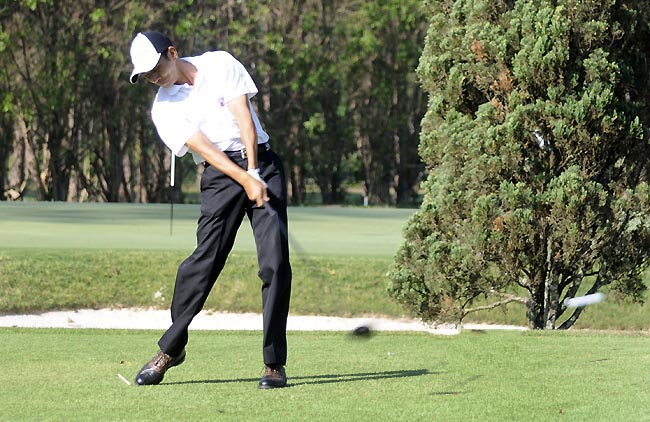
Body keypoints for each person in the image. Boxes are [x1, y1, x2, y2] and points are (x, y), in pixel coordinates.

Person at [128, 31, 292, 389]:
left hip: (261, 161)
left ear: (172, 53)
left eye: (156, 67)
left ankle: (273, 364)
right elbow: (207, 151)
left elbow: (244, 117)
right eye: (146, 75)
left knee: (275, 263)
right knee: (202, 263)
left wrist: (253, 172)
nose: (154, 78)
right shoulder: (163, 108)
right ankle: (171, 348)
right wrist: (243, 178)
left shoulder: (220, 63)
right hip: (220, 176)